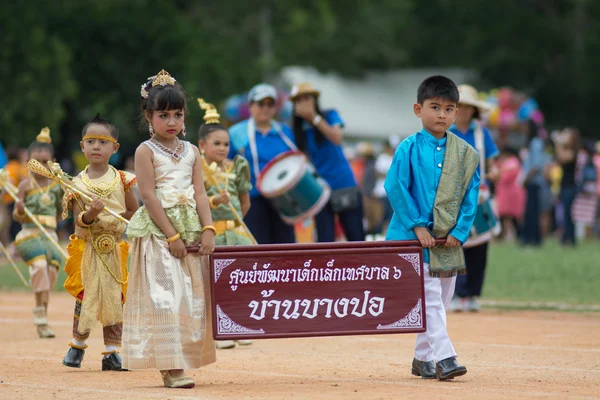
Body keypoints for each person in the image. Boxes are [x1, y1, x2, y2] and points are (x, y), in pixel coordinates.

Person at [122, 70, 216, 389]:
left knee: (192, 298)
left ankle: (183, 361)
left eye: (177, 114)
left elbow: (200, 193)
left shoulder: (192, 151)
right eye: (164, 115)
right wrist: (171, 235)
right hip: (160, 235)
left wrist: (208, 229)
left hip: (190, 232)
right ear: (149, 116)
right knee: (166, 297)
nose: (172, 121)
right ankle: (170, 367)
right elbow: (148, 195)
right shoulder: (145, 151)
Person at [385, 76, 480, 380]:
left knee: (444, 298)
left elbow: (471, 195)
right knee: (430, 298)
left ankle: (421, 359)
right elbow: (396, 187)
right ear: (418, 109)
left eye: (449, 109)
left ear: (456, 112)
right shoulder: (408, 148)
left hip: (448, 241)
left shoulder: (465, 154)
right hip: (415, 240)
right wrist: (417, 227)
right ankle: (446, 358)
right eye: (435, 107)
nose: (442, 115)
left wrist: (460, 232)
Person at [61, 114, 138, 371]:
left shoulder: (123, 179)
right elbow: (78, 221)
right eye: (90, 141)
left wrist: (117, 220)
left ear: (114, 148)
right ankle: (76, 347)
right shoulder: (76, 183)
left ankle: (112, 353)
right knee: (86, 297)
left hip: (114, 248)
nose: (96, 146)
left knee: (115, 298)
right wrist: (92, 214)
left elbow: (132, 212)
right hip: (89, 249)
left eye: (103, 142)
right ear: (82, 146)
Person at [197, 99, 254, 350]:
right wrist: (212, 201)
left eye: (226, 144)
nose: (222, 148)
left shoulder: (237, 166)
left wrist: (236, 221)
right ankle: (216, 332)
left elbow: (245, 203)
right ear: (202, 145)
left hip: (234, 233)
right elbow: (193, 203)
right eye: (216, 143)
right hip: (212, 235)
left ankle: (238, 324)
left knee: (238, 282)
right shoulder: (197, 169)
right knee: (213, 285)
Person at [290, 82, 364, 242]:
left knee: (355, 235)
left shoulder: (330, 115)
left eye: (307, 97)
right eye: (298, 100)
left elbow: (336, 138)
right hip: (320, 191)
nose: (303, 102)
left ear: (315, 99)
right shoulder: (297, 130)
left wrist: (314, 118)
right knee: (325, 239)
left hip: (343, 183)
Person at [449, 84, 499, 313]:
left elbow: (493, 162)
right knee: (455, 245)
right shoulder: (446, 133)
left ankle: (472, 294)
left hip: (479, 197)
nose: (465, 111)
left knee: (480, 249)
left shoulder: (481, 133)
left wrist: (495, 171)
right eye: (461, 106)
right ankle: (457, 293)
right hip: (453, 198)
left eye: (469, 107)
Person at [12, 128, 66, 338]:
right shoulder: (25, 185)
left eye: (45, 161)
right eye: (36, 161)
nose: (40, 166)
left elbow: (63, 211)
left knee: (51, 272)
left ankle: (43, 312)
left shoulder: (56, 185)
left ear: (52, 161)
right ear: (28, 161)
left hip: (50, 235)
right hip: (29, 233)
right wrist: (19, 210)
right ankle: (39, 313)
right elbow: (17, 215)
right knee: (40, 265)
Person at [229, 83, 296, 244]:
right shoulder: (236, 132)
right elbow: (226, 162)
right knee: (256, 245)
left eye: (270, 104)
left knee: (285, 246)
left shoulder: (285, 132)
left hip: (283, 198)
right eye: (260, 104)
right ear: (251, 105)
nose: (265, 109)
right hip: (252, 199)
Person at [520, 120, 549, 246]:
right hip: (531, 181)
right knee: (530, 210)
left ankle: (532, 238)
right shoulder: (533, 142)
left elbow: (536, 165)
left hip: (534, 181)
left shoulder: (535, 143)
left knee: (532, 211)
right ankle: (530, 237)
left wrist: (525, 179)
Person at [555, 128, 580, 246]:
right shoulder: (567, 149)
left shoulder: (572, 151)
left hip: (570, 186)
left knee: (567, 213)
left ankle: (570, 238)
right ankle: (566, 238)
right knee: (565, 213)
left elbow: (562, 158)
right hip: (565, 185)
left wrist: (558, 142)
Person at [495, 147, 525, 241]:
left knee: (508, 215)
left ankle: (509, 235)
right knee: (507, 215)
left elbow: (503, 177)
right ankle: (508, 235)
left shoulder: (511, 163)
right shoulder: (511, 163)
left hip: (509, 193)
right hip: (507, 192)